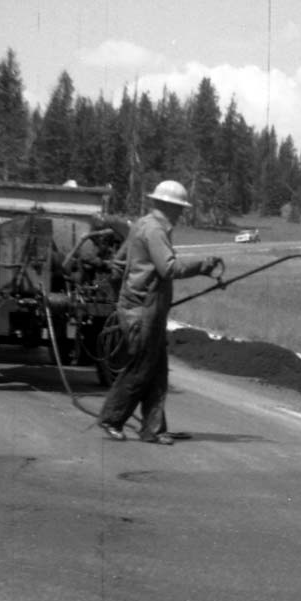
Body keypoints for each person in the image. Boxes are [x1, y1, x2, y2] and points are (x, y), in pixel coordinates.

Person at [98, 180, 222, 444]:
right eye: (179, 208)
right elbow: (169, 269)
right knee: (140, 369)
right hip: (143, 311)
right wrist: (204, 265)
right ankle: (111, 418)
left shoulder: (142, 224)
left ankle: (152, 429)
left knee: (157, 372)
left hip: (144, 308)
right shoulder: (155, 230)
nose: (181, 213)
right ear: (166, 205)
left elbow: (120, 263)